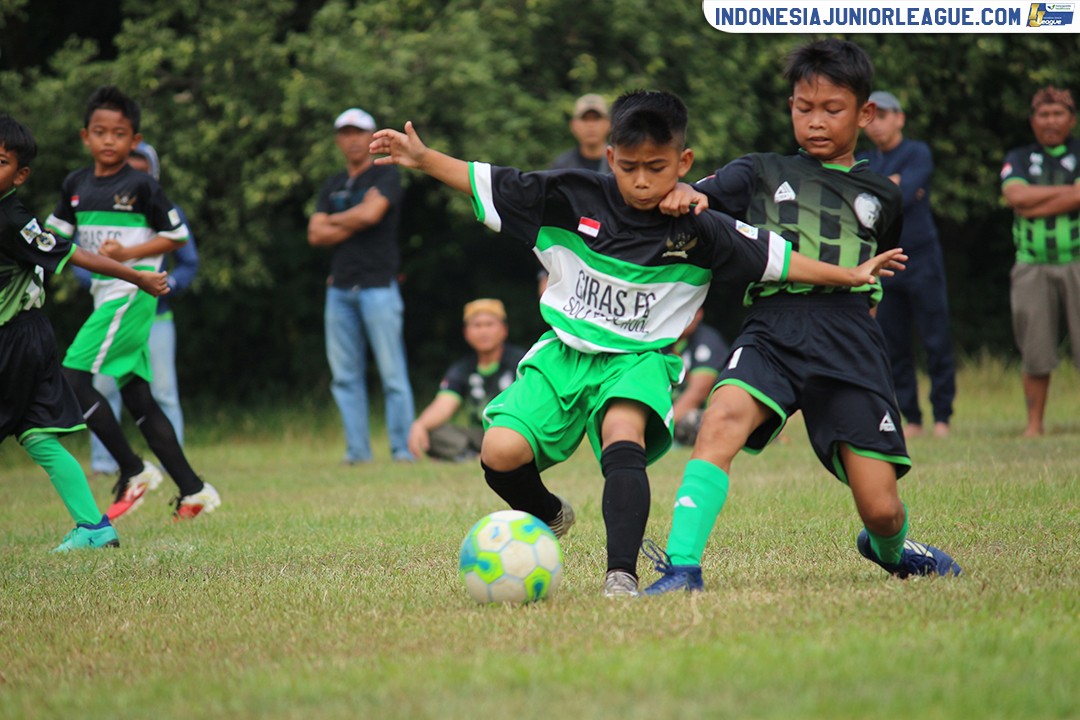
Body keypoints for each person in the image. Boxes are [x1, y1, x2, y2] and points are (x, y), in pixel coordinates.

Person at [370, 89, 905, 597]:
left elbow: (779, 258)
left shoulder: (701, 228)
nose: (643, 182)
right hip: (566, 353)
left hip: (639, 360)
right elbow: (488, 182)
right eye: (629, 168)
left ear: (683, 161)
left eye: (657, 168)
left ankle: (620, 575)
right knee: (499, 452)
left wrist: (851, 275)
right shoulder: (569, 195)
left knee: (623, 435)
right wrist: (423, 157)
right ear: (610, 157)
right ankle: (552, 514)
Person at [645, 39, 962, 595]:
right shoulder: (758, 171)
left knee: (881, 509)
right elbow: (700, 197)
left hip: (848, 339)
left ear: (865, 113)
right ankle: (682, 568)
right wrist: (684, 197)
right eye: (803, 107)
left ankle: (889, 548)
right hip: (772, 325)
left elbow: (873, 275)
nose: (815, 121)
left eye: (831, 109)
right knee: (719, 423)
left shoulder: (884, 199)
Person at [45, 85, 221, 521]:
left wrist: (127, 255)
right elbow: (52, 238)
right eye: (100, 132)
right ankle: (194, 490)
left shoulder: (142, 186)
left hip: (131, 294)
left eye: (119, 133)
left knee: (73, 377)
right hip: (105, 295)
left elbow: (177, 237)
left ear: (134, 141)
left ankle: (133, 468)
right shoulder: (75, 185)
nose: (109, 140)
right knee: (139, 399)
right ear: (85, 136)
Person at [0, 114, 169, 549]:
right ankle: (94, 527)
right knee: (37, 436)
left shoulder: (11, 221)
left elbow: (77, 254)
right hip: (26, 336)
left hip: (16, 340)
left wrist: (138, 277)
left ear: (19, 175)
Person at [79, 141, 200, 474]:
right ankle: (105, 464)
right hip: (110, 313)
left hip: (156, 317)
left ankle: (171, 464)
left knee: (163, 392)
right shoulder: (96, 207)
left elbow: (188, 262)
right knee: (104, 388)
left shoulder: (165, 208)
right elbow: (77, 255)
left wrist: (167, 286)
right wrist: (100, 279)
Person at [308, 107, 416, 464]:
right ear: (338, 139)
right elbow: (314, 233)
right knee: (344, 377)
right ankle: (357, 452)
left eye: (359, 132)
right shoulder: (333, 183)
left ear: (372, 139)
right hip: (339, 289)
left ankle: (402, 449)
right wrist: (356, 218)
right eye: (345, 133)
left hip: (378, 286)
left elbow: (371, 216)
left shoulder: (386, 177)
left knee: (392, 374)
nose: (352, 139)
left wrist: (334, 222)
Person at [860, 90, 956, 439]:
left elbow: (892, 195)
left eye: (883, 116)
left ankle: (942, 416)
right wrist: (892, 186)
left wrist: (884, 190)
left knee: (935, 337)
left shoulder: (918, 152)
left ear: (899, 118)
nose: (878, 124)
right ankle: (911, 418)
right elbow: (878, 195)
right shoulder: (866, 161)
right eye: (871, 118)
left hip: (922, 258)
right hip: (885, 262)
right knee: (893, 342)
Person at [1000, 86, 1080, 437]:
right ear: (1033, 121)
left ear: (1071, 119)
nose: (1051, 121)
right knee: (1034, 347)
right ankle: (1034, 426)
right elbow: (1015, 195)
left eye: (1058, 114)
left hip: (1077, 260)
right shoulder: (1019, 156)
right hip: (1031, 264)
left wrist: (1032, 204)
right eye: (1044, 115)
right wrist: (1073, 195)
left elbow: (1024, 200)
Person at [408, 299, 526, 461]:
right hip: (479, 434)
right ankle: (471, 455)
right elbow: (444, 405)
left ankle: (470, 455)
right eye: (477, 325)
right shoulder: (462, 368)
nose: (483, 331)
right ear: (466, 332)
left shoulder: (522, 362)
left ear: (504, 329)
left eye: (489, 324)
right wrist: (420, 425)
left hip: (514, 429)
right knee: (432, 431)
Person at [668, 308, 729, 446]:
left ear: (699, 314)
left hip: (703, 412)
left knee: (692, 422)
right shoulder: (664, 341)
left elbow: (698, 392)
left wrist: (663, 427)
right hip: (670, 410)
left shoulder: (707, 339)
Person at [549, 94, 612, 174]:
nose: (590, 125)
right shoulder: (561, 167)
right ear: (573, 125)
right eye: (584, 119)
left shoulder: (621, 164)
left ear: (608, 123)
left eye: (596, 118)